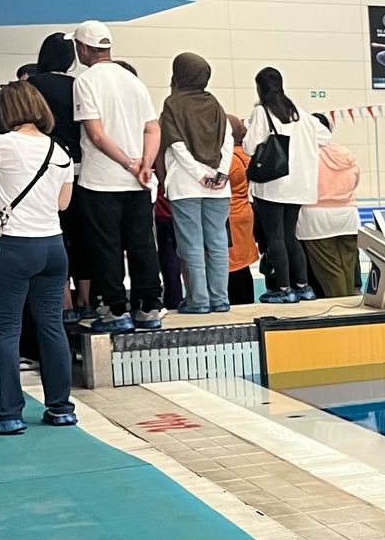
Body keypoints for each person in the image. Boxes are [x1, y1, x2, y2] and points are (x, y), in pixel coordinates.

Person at [71, 19, 163, 334]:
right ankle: (149, 307)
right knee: (142, 245)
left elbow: (96, 135)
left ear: (83, 48)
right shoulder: (133, 81)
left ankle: (116, 310)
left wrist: (128, 163)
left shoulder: (85, 81)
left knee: (106, 246)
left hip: (100, 181)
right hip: (138, 183)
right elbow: (153, 128)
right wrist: (145, 164)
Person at [0, 79, 77, 433]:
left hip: (14, 247)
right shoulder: (60, 151)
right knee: (51, 325)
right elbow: (63, 203)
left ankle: (10, 413)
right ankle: (61, 407)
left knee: (5, 329)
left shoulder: (2, 146)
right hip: (53, 247)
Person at [244, 67, 328, 304]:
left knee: (275, 238)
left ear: (260, 88)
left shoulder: (262, 111)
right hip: (299, 185)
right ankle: (303, 286)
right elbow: (325, 136)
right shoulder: (300, 113)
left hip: (272, 185)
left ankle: (284, 289)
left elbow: (249, 147)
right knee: (291, 236)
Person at [158, 55, 233, 313]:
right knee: (217, 243)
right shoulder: (214, 103)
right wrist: (221, 173)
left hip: (186, 184)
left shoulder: (173, 103)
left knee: (191, 244)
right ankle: (220, 299)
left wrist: (199, 173)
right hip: (219, 187)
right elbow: (227, 141)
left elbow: (176, 144)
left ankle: (198, 301)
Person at [26, 34, 89, 321]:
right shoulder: (79, 85)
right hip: (80, 166)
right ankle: (85, 299)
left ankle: (64, 301)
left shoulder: (34, 84)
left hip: (46, 165)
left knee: (57, 233)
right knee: (81, 234)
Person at [298, 115, 361, 297]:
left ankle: (341, 308)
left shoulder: (306, 154)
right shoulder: (345, 152)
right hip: (348, 216)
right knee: (348, 268)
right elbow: (355, 180)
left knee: (331, 271)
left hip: (316, 218)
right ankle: (350, 305)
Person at [227, 138, 258, 305]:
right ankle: (248, 303)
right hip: (244, 210)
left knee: (232, 266)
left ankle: (237, 304)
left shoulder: (229, 159)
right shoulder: (246, 156)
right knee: (243, 266)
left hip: (230, 215)